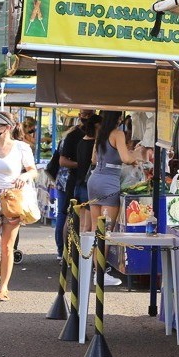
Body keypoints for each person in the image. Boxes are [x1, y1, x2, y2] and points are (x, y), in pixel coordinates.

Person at [0, 110, 37, 301]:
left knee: (7, 246)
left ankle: (3, 285)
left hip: (12, 199)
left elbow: (33, 171)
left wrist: (24, 176)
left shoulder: (21, 148)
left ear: (8, 127)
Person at [87, 110, 141, 286]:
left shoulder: (100, 134)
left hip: (94, 179)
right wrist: (135, 156)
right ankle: (100, 274)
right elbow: (126, 158)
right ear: (118, 119)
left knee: (97, 228)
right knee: (107, 230)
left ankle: (96, 271)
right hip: (109, 182)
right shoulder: (117, 134)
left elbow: (94, 159)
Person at [55, 110, 94, 258]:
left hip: (77, 181)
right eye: (84, 114)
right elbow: (62, 161)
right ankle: (64, 253)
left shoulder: (86, 136)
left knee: (74, 217)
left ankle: (72, 255)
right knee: (67, 215)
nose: (86, 117)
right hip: (70, 181)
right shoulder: (73, 136)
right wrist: (82, 165)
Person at [74, 115, 101, 232]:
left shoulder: (81, 142)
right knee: (88, 226)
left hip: (79, 185)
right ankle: (86, 250)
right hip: (88, 185)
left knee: (81, 225)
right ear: (97, 126)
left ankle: (78, 249)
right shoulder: (94, 144)